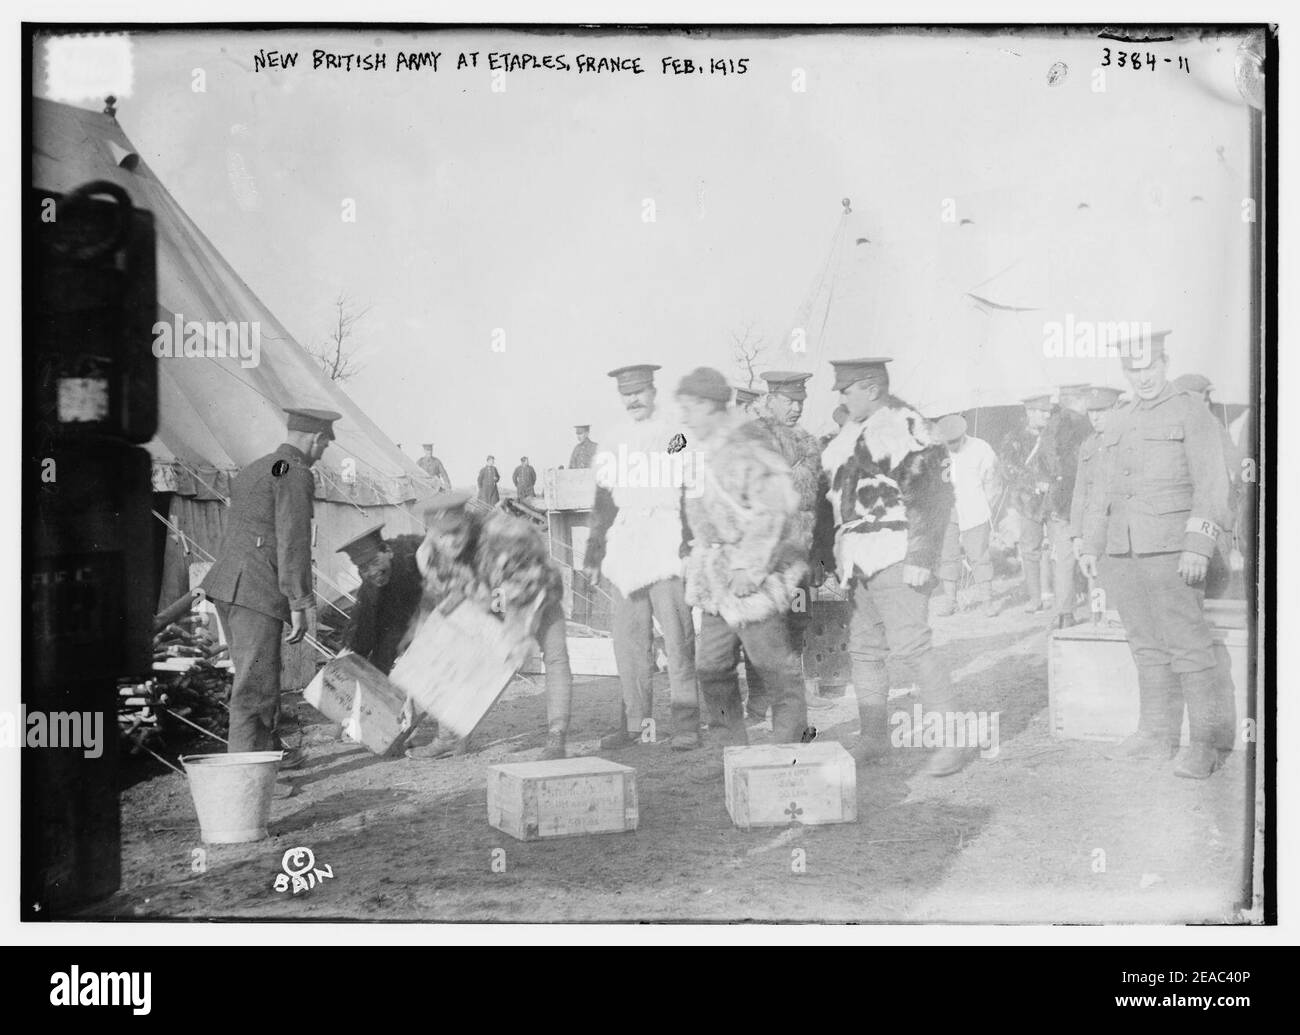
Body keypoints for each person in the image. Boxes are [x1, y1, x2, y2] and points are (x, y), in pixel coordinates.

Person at [1079, 332, 1235, 779]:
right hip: (1123, 552)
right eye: (1133, 369)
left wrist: (1198, 545)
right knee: (1145, 646)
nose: (1142, 377)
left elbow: (1212, 485)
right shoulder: (1120, 417)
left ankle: (1204, 744)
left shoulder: (1190, 411)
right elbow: (1101, 491)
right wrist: (1092, 545)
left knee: (1189, 646)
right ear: (1124, 371)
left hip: (1173, 552)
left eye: (1149, 367)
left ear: (1165, 362)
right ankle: (1154, 736)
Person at [816, 358, 965, 776]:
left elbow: (934, 495)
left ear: (871, 388)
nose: (842, 398)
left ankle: (949, 742)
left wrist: (921, 556)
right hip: (859, 557)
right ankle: (874, 738)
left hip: (897, 552)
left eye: (847, 391)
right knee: (863, 651)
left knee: (913, 646)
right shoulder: (852, 432)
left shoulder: (906, 426)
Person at [677, 367, 808, 747]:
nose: (685, 416)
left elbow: (775, 509)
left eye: (693, 407)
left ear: (714, 406)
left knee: (775, 669)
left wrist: (750, 567)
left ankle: (792, 751)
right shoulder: (701, 453)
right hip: (715, 578)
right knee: (711, 666)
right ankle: (728, 749)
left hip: (753, 577)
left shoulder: (749, 445)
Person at [202, 407, 341, 761]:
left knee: (258, 673)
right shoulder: (294, 472)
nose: (323, 452)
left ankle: (267, 751)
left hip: (230, 586)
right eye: (324, 444)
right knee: (255, 687)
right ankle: (248, 773)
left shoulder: (259, 467)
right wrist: (300, 602)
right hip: (256, 591)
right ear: (315, 438)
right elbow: (292, 540)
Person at [583, 363, 701, 751]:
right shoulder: (613, 443)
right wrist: (593, 554)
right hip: (626, 548)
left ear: (653, 391)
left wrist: (690, 541)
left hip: (666, 543)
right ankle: (639, 726)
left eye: (639, 392)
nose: (633, 399)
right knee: (630, 644)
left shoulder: (675, 436)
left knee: (679, 639)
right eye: (626, 394)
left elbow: (691, 490)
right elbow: (603, 503)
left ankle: (686, 725)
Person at [406, 492, 574, 761]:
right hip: (492, 598)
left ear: (467, 523)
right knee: (458, 649)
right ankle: (451, 737)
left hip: (537, 591)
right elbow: (438, 605)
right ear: (431, 533)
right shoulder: (429, 555)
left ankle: (557, 737)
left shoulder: (503, 534)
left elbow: (524, 587)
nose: (451, 541)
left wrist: (506, 631)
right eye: (442, 535)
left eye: (456, 532)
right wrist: (416, 667)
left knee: (555, 656)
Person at [749, 369, 831, 718]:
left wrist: (821, 558)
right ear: (770, 398)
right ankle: (758, 696)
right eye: (789, 400)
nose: (796, 407)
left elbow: (821, 505)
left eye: (801, 401)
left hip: (799, 555)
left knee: (797, 621)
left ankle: (797, 689)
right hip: (763, 556)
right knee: (763, 624)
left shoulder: (809, 444)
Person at [933, 413, 1001, 618]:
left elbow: (993, 481)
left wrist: (984, 505)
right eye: (948, 442)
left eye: (955, 441)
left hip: (974, 510)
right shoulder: (935, 452)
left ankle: (987, 601)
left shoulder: (981, 449)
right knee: (948, 557)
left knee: (979, 556)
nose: (951, 446)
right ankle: (950, 601)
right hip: (946, 511)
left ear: (964, 435)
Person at [335, 524, 424, 675]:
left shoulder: (418, 557)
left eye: (375, 562)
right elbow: (362, 629)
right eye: (363, 568)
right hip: (402, 629)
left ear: (388, 551)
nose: (372, 572)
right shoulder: (370, 588)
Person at [1067, 386, 1123, 610]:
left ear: (1116, 408)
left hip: (1119, 530)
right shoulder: (1089, 445)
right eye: (1091, 412)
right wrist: (1077, 534)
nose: (1096, 417)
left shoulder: (1126, 441)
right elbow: (1080, 492)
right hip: (1093, 530)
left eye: (1102, 410)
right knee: (1098, 595)